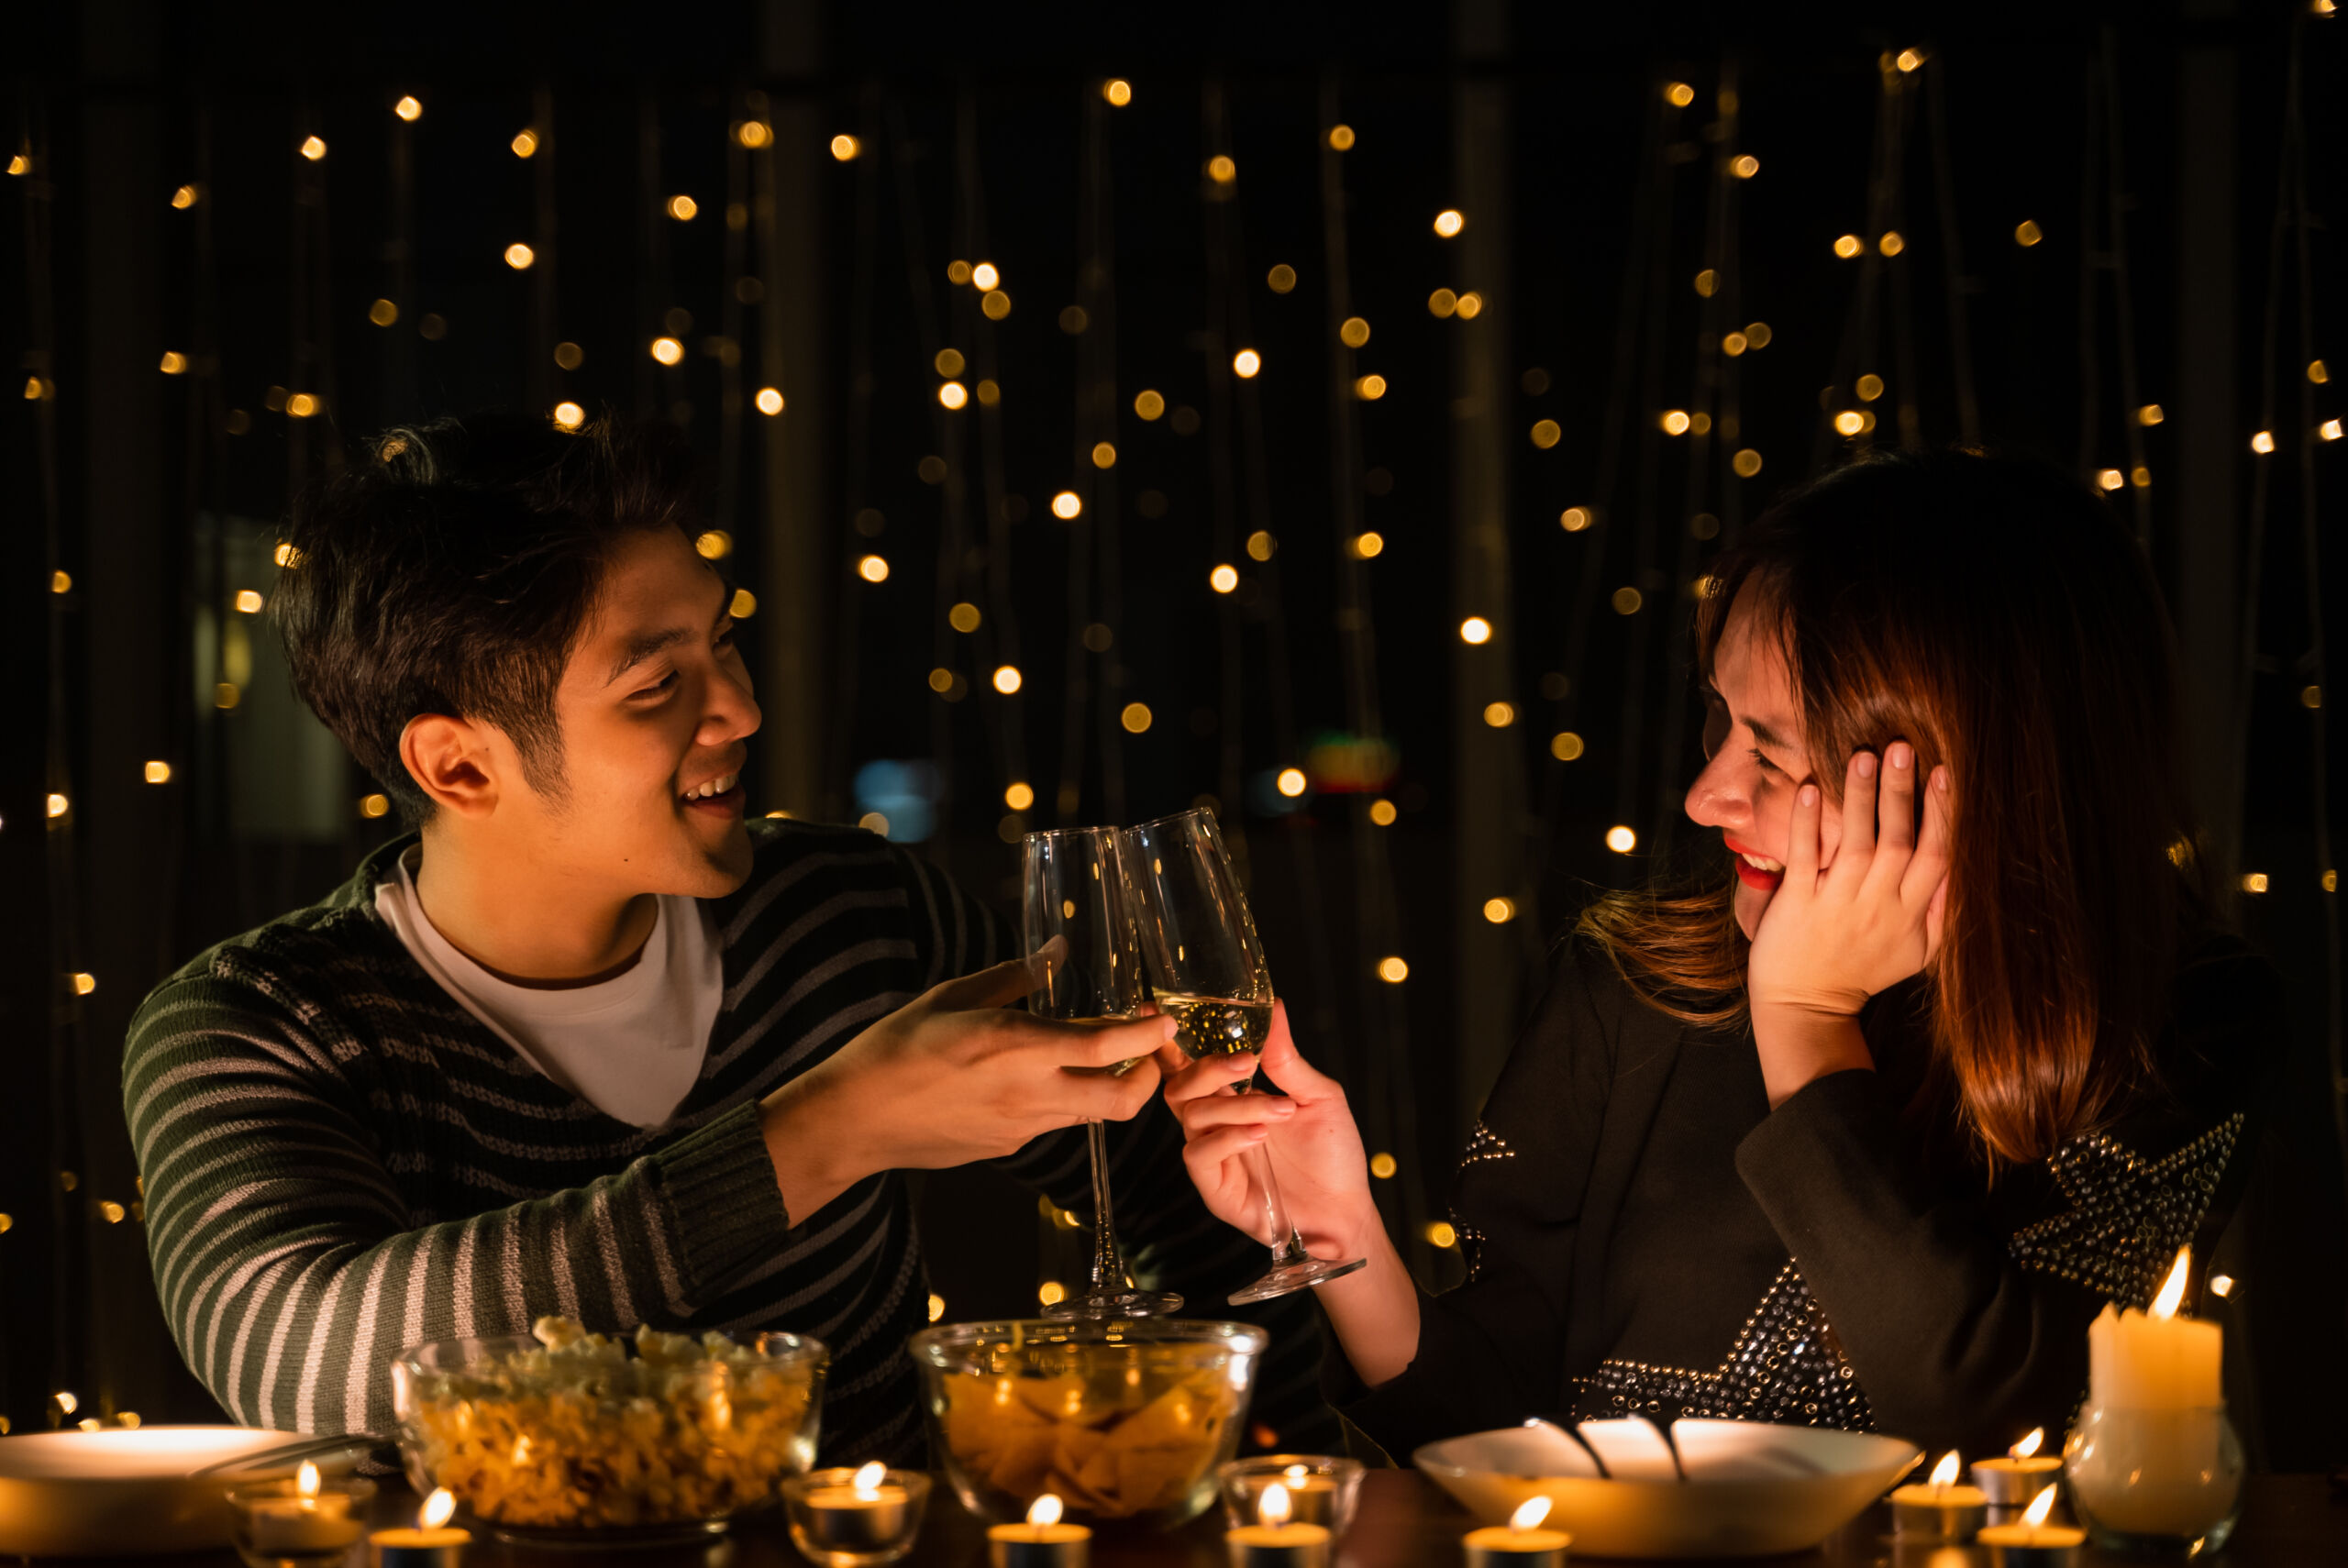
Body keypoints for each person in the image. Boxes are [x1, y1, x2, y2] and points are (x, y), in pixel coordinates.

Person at [121, 412, 1332, 1461]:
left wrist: (1243, 1487)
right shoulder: (252, 1025)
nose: (742, 710)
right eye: (658, 686)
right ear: (458, 763)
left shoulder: (855, 917)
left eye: (726, 642)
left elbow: (1201, 1212)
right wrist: (835, 1126)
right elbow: (303, 1350)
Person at [1164, 447, 2281, 1461]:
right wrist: (1343, 1235)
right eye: (1718, 717)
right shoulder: (1637, 982)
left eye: (1777, 752)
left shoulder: (2177, 1020)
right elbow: (1501, 1438)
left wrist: (1803, 1019)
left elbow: (1997, 1420)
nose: (1706, 794)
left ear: (1979, 776)